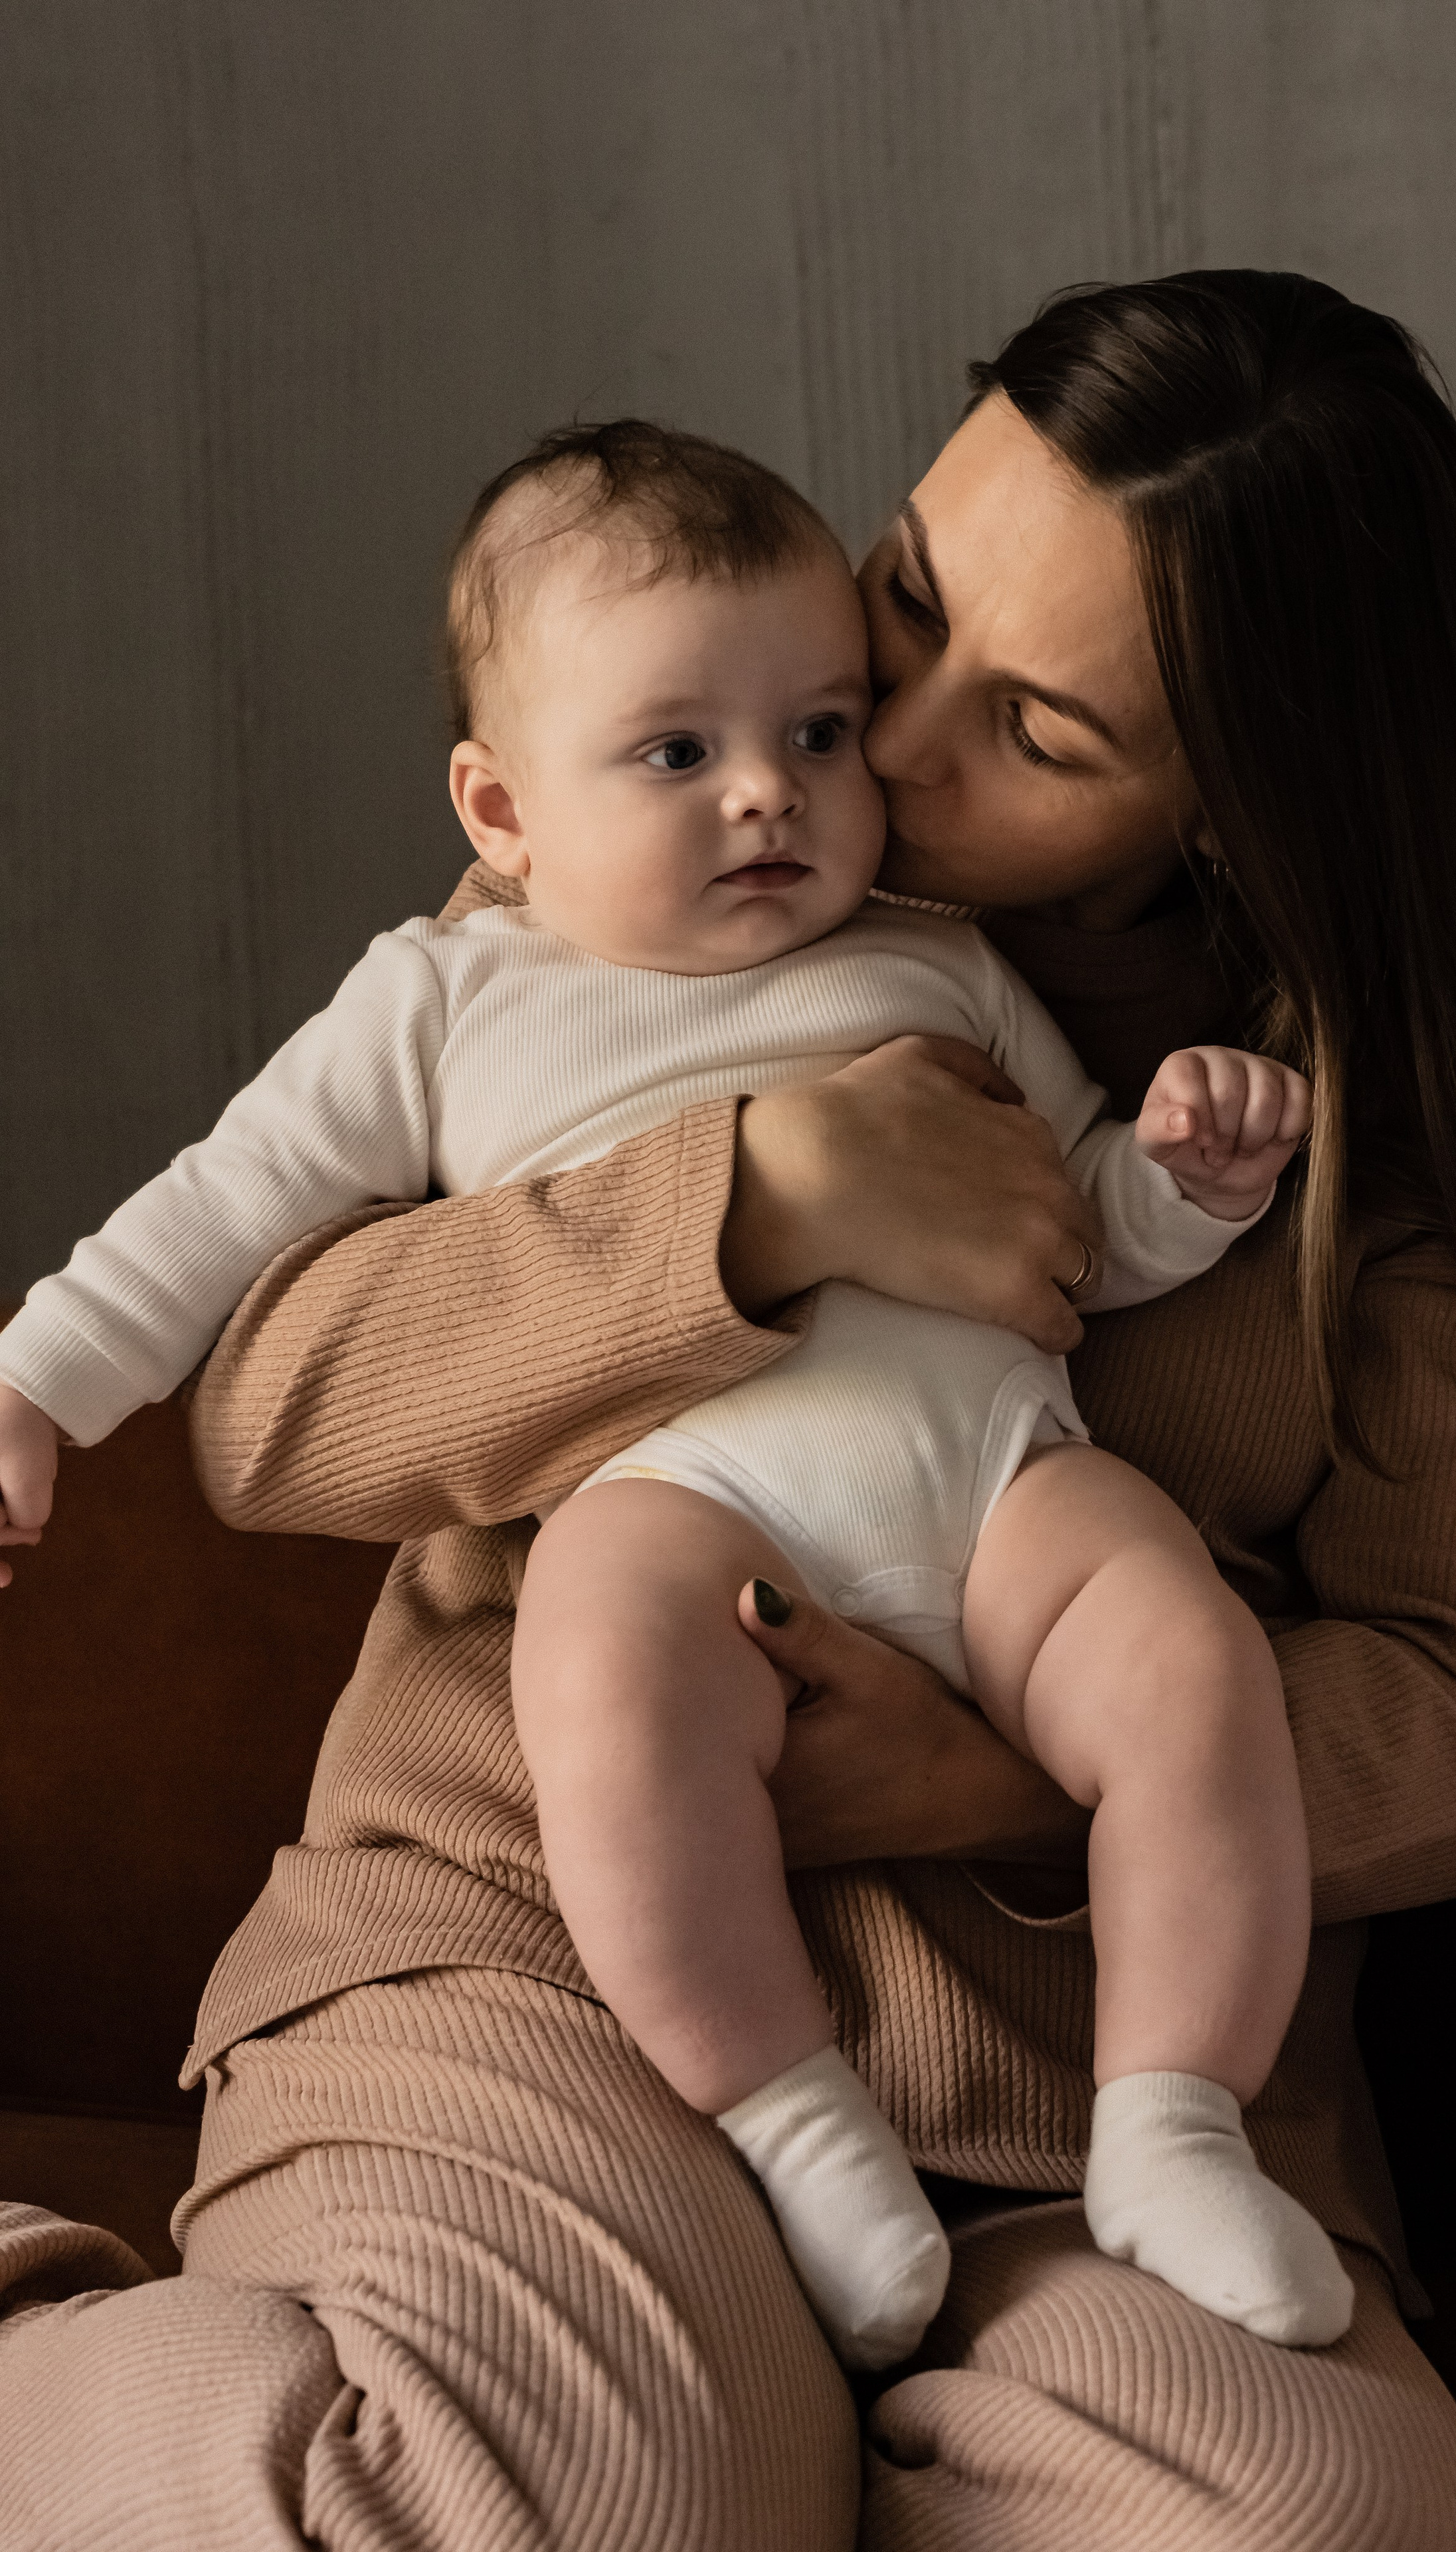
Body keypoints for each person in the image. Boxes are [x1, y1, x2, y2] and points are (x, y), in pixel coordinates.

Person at [0, 270, 1456, 2550]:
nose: (864, 730)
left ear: (1242, 806)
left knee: (1307, 2528)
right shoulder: (638, 876)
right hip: (534, 1942)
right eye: (910, 593)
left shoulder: (1376, 1146)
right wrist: (750, 1202)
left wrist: (992, 1772)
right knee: (546, 2507)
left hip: (1097, 2065)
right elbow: (272, 1409)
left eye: (1039, 728)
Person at [0, 417, 1339, 2369]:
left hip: (992, 1482)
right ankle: (787, 2110)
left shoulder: (941, 963)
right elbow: (225, 1226)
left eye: (814, 729)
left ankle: (1169, 2116)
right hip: (686, 1499)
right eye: (676, 753)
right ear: (502, 807)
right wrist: (36, 1372)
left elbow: (1089, 1233)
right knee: (603, 1672)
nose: (776, 798)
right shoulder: (450, 997)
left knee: (1186, 1655)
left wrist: (1192, 1177)